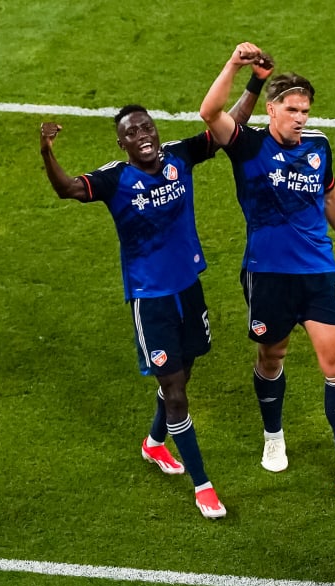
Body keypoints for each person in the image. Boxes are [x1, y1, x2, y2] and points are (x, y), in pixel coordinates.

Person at [39, 77, 267, 518]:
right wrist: (48, 152)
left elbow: (227, 127)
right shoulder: (114, 179)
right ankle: (204, 485)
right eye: (131, 133)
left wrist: (255, 82)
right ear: (121, 142)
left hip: (189, 287)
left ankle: (154, 441)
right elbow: (67, 188)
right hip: (151, 298)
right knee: (175, 390)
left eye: (146, 128)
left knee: (187, 368)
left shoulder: (179, 157)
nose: (142, 137)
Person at [199, 43, 335, 496]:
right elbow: (209, 112)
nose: (301, 118)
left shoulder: (319, 146)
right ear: (272, 108)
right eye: (293, 109)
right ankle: (273, 436)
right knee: (272, 357)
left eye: (306, 109)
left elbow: (330, 196)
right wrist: (237, 66)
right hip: (268, 274)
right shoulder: (247, 145)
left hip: (318, 271)